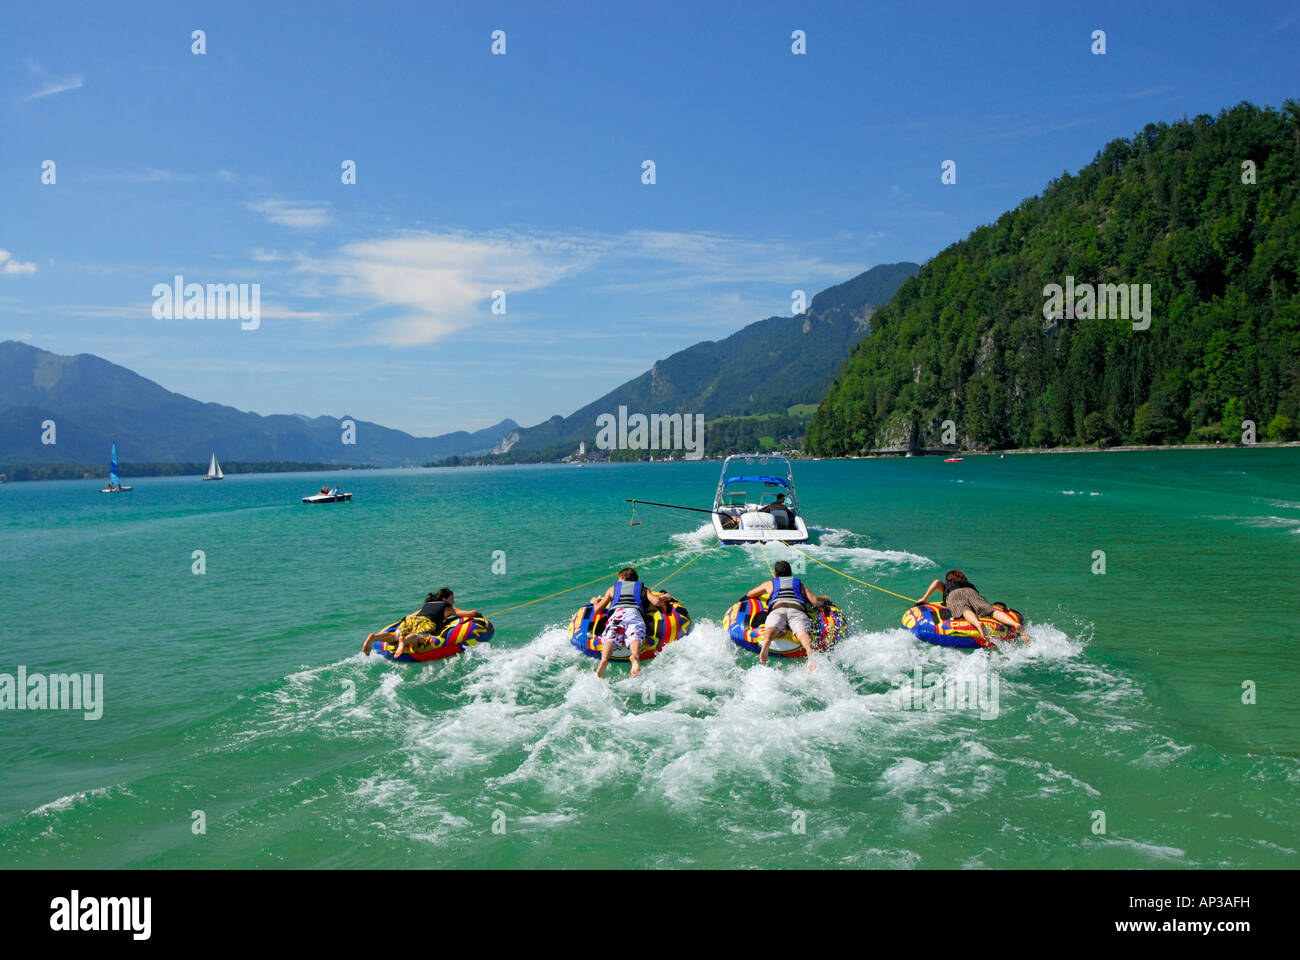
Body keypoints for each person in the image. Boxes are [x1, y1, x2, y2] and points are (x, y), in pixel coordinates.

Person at [746, 561, 829, 671]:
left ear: (775, 575)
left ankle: (767, 642)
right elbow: (815, 602)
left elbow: (750, 594)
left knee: (772, 628)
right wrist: (824, 598)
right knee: (802, 633)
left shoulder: (770, 583)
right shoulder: (800, 584)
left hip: (778, 608)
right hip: (796, 609)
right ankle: (810, 654)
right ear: (791, 573)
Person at [589, 568, 670, 679]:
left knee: (611, 636)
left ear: (622, 578)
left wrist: (595, 602)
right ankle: (635, 656)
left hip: (618, 614)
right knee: (635, 634)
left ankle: (604, 660)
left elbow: (598, 610)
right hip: (633, 613)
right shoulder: (644, 589)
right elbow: (656, 602)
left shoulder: (612, 589)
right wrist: (665, 597)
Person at [362, 588, 483, 657]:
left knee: (394, 636)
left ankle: (375, 637)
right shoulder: (447, 607)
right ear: (444, 599)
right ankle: (404, 640)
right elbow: (467, 613)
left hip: (412, 621)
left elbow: (409, 616)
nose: (453, 602)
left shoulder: (427, 604)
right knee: (420, 637)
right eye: (452, 599)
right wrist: (476, 613)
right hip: (427, 622)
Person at [917, 569, 1025, 647]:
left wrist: (924, 598)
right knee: (989, 610)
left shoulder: (948, 585)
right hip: (972, 593)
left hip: (955, 594)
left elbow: (936, 582)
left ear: (948, 579)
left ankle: (977, 624)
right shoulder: (969, 584)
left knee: (963, 609)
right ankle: (1015, 624)